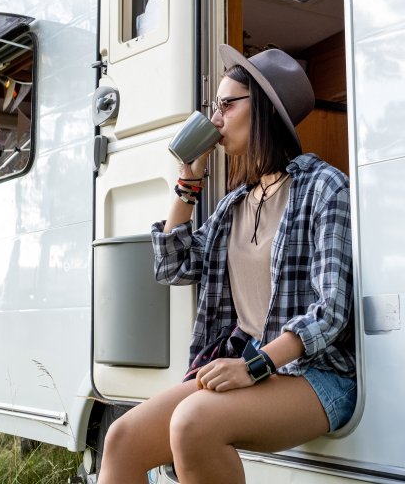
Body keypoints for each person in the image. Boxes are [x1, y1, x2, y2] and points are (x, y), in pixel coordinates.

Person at [97, 44, 356, 484]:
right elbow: (174, 267)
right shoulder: (235, 203)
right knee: (122, 438)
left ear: (267, 112)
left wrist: (254, 366)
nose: (214, 119)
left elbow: (330, 312)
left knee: (193, 422)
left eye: (226, 105)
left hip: (316, 375)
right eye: (213, 107)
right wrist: (187, 183)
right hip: (253, 368)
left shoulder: (326, 188)